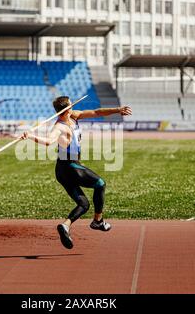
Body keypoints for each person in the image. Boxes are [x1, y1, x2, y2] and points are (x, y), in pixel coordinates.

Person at [21, 96, 132, 249]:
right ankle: (98, 221)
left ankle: (65, 226)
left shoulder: (74, 116)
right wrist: (30, 136)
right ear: (66, 109)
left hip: (62, 171)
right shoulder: (59, 127)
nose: (73, 105)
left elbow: (96, 112)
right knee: (100, 184)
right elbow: (48, 141)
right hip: (70, 167)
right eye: (71, 104)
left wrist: (117, 110)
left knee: (84, 204)